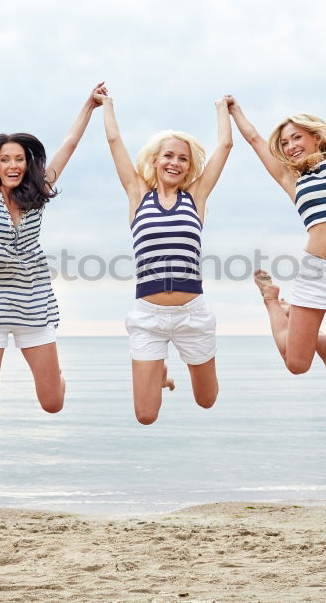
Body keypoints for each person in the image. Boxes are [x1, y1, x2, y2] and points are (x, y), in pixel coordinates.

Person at [0, 42, 105, 420]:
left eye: (19, 159)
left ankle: (55, 374)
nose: (13, 164)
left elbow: (70, 144)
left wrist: (89, 106)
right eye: (4, 159)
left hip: (33, 306)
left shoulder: (37, 191)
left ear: (26, 164)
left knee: (53, 403)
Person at [226, 21, 326, 378]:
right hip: (317, 270)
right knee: (297, 364)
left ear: (315, 137)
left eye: (296, 137)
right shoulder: (292, 178)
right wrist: (234, 110)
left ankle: (295, 316)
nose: (290, 146)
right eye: (284, 142)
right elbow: (255, 140)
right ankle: (273, 300)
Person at [100, 89, 233, 424]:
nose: (175, 162)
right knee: (146, 415)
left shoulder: (196, 197)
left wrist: (222, 108)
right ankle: (158, 369)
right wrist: (107, 104)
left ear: (189, 167)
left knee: (207, 400)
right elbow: (115, 142)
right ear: (155, 161)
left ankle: (162, 365)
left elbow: (225, 147)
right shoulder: (137, 195)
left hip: (193, 316)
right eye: (168, 156)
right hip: (149, 317)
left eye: (183, 158)